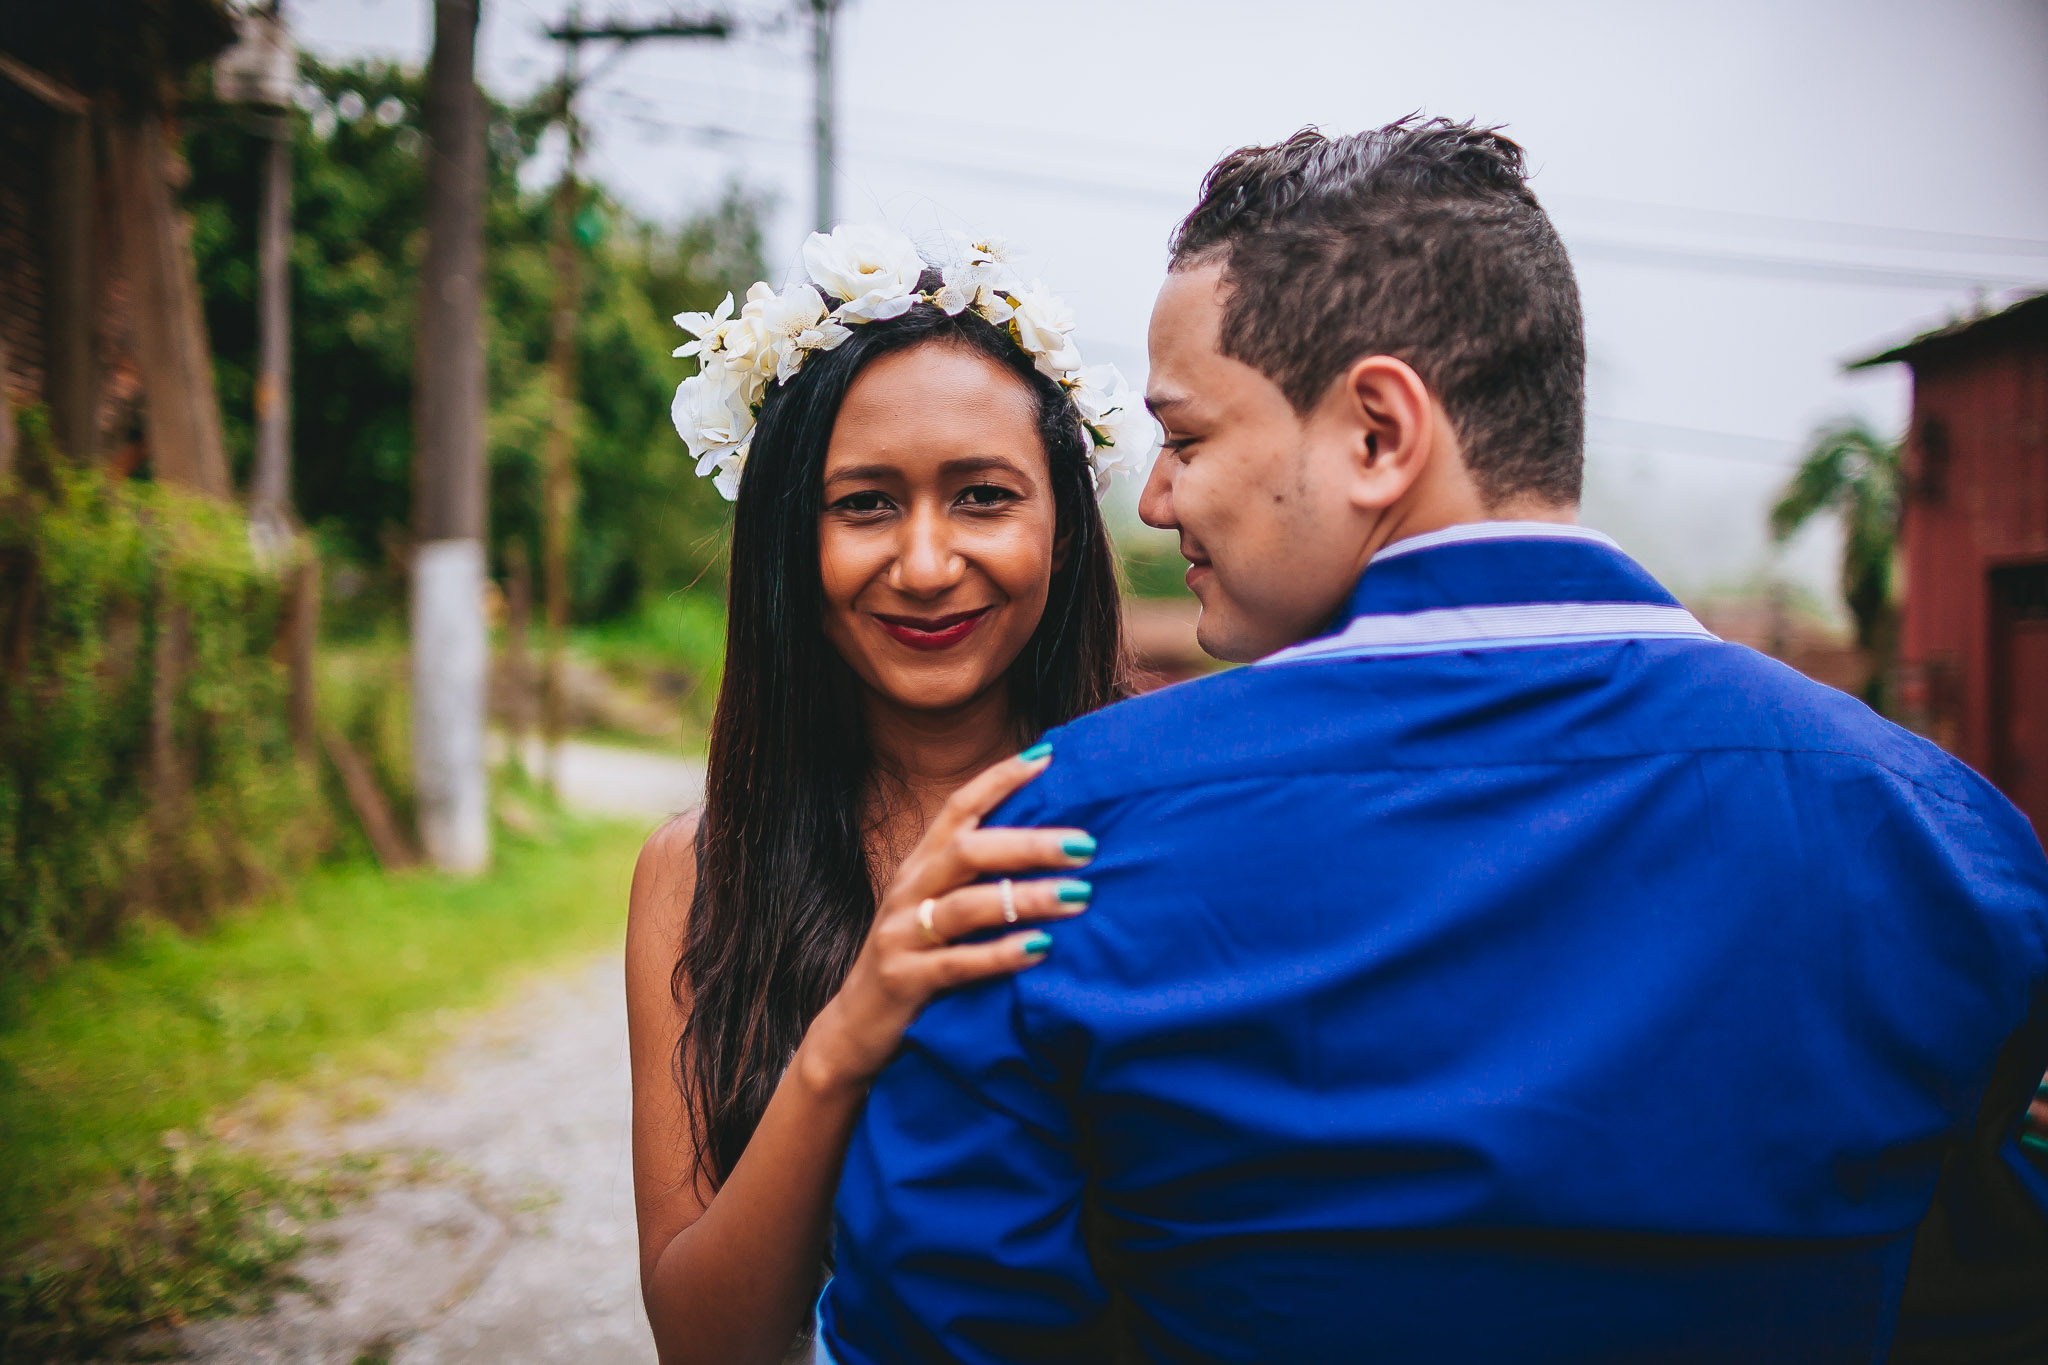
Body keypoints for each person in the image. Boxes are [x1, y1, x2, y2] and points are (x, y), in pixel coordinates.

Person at [820, 120, 2048, 1364]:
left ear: (1376, 435)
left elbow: (930, 1331)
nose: (1152, 498)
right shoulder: (1943, 839)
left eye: (1185, 439)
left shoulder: (1049, 844)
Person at [624, 224, 1155, 1365]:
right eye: (862, 503)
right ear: (784, 539)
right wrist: (852, 1029)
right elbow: (704, 1345)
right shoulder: (695, 871)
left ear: (1061, 528)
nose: (923, 563)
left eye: (981, 498)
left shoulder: (1161, 818)